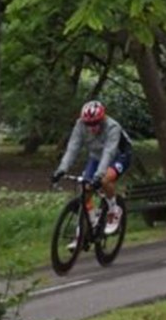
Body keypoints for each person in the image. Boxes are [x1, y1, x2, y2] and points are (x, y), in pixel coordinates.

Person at [51, 100, 133, 239]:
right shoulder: (80, 125)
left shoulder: (112, 127)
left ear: (103, 118)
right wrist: (61, 169)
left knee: (105, 180)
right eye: (88, 124)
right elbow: (73, 148)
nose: (92, 127)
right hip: (96, 156)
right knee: (85, 189)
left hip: (119, 155)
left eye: (96, 123)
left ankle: (114, 209)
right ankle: (89, 225)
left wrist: (98, 175)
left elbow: (109, 153)